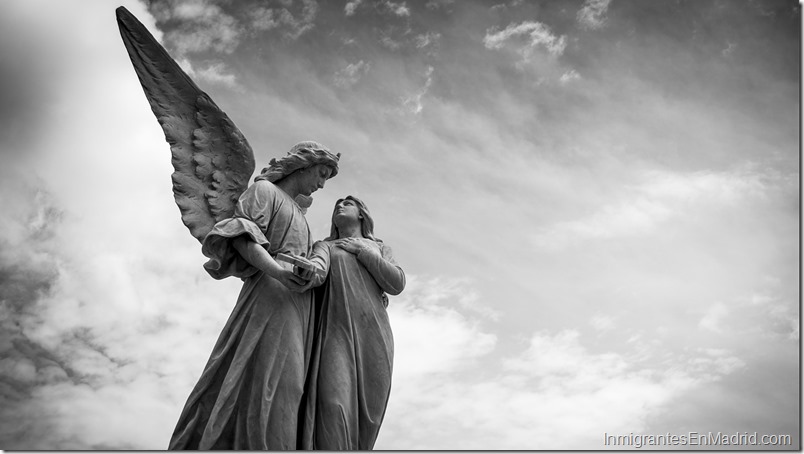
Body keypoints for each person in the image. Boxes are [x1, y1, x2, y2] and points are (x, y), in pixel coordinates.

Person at [168, 141, 340, 450]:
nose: (322, 183)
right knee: (270, 382)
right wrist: (278, 271)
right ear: (303, 166)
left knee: (291, 388)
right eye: (321, 173)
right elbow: (243, 238)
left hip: (298, 306)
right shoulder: (265, 193)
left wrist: (310, 273)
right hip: (270, 296)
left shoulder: (299, 213)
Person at [297, 196, 406, 450]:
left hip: (374, 336)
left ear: (361, 214)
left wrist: (365, 253)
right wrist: (306, 270)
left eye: (347, 203)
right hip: (337, 334)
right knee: (333, 404)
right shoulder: (326, 246)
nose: (339, 206)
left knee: (369, 416)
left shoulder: (377, 246)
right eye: (336, 204)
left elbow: (397, 283)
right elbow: (318, 268)